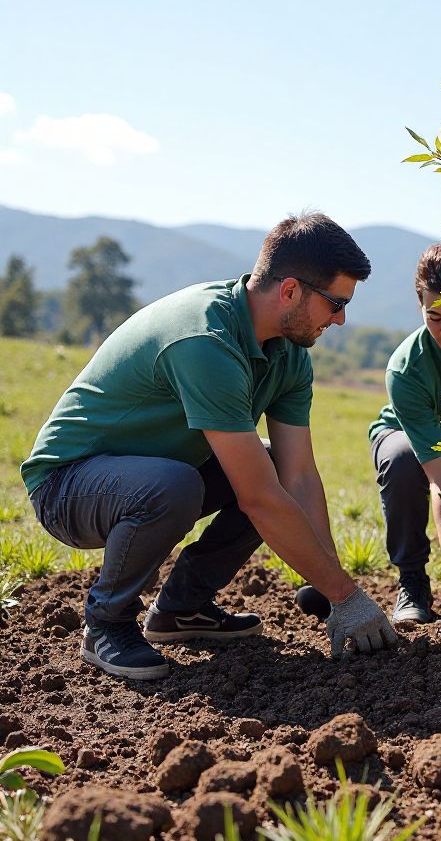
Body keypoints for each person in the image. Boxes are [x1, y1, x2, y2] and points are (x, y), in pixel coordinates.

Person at [22, 212, 397, 681]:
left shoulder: (291, 353)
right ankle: (106, 623)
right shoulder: (205, 339)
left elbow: (297, 474)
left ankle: (181, 610)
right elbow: (258, 497)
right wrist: (347, 596)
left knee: (270, 462)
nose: (341, 319)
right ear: (290, 291)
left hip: (155, 472)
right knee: (179, 485)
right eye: (336, 303)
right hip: (68, 486)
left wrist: (333, 588)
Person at [298, 243, 441, 627]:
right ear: (419, 306)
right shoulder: (408, 368)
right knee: (404, 460)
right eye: (434, 317)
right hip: (407, 438)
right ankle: (413, 583)